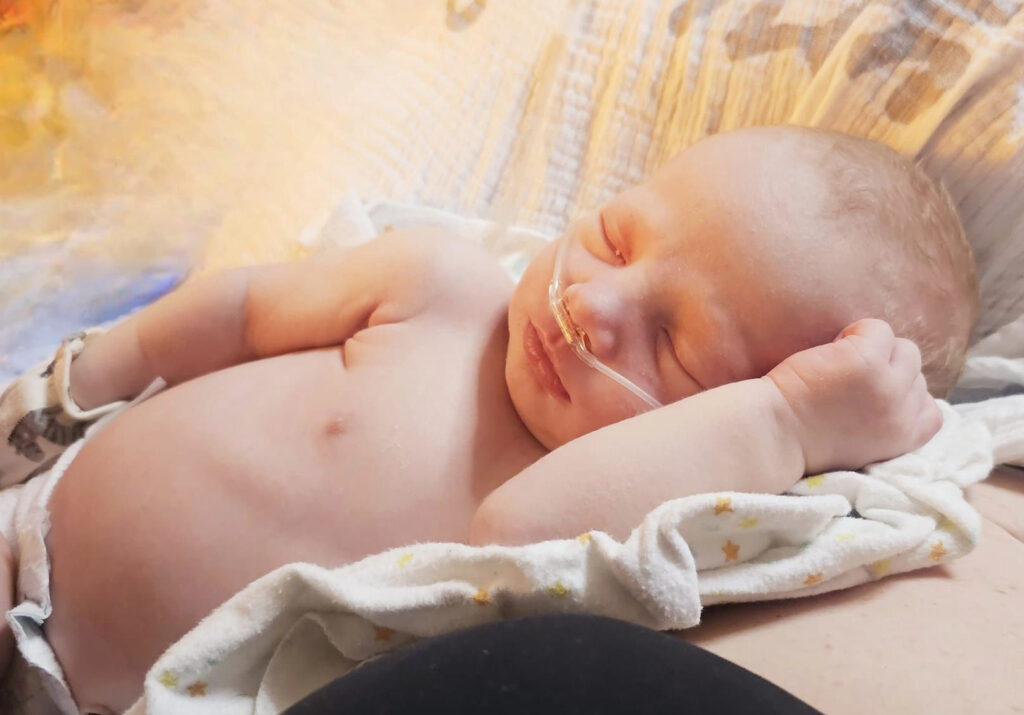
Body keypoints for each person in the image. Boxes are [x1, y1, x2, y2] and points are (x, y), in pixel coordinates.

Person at [0, 126, 976, 714]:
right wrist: (63, 393)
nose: (593, 303)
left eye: (676, 343)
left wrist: (789, 417)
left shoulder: (614, 506)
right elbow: (241, 308)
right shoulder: (440, 288)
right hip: (23, 535)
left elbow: (516, 534)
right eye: (615, 238)